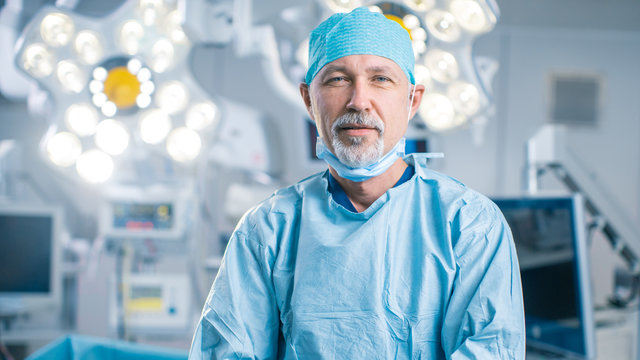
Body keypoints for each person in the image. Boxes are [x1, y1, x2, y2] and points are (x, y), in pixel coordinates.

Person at [189, 7, 525, 359]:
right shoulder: (269, 230)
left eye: (380, 79)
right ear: (308, 99)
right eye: (337, 79)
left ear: (413, 100)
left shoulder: (468, 225)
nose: (358, 101)